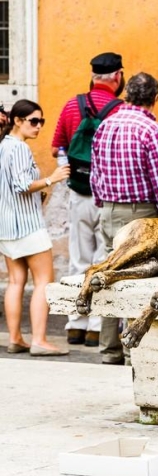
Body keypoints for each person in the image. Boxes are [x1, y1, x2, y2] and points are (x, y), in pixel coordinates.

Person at [90, 72, 158, 365]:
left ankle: (108, 349)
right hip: (141, 212)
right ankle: (130, 349)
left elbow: (95, 172)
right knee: (135, 275)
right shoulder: (151, 130)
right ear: (155, 97)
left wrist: (103, 203)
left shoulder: (105, 125)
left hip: (109, 208)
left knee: (106, 273)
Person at [50, 52, 125, 348]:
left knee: (79, 258)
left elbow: (57, 147)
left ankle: (75, 324)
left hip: (79, 193)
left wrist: (72, 171)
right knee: (102, 261)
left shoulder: (72, 104)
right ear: (117, 77)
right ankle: (97, 326)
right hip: (108, 196)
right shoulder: (120, 111)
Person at [0, 100, 71, 356]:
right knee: (44, 281)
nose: (39, 126)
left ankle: (16, 338)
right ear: (17, 121)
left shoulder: (4, 146)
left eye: (41, 121)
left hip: (7, 225)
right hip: (28, 225)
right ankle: (39, 340)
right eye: (33, 121)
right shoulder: (19, 148)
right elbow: (21, 185)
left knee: (16, 281)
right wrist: (52, 178)